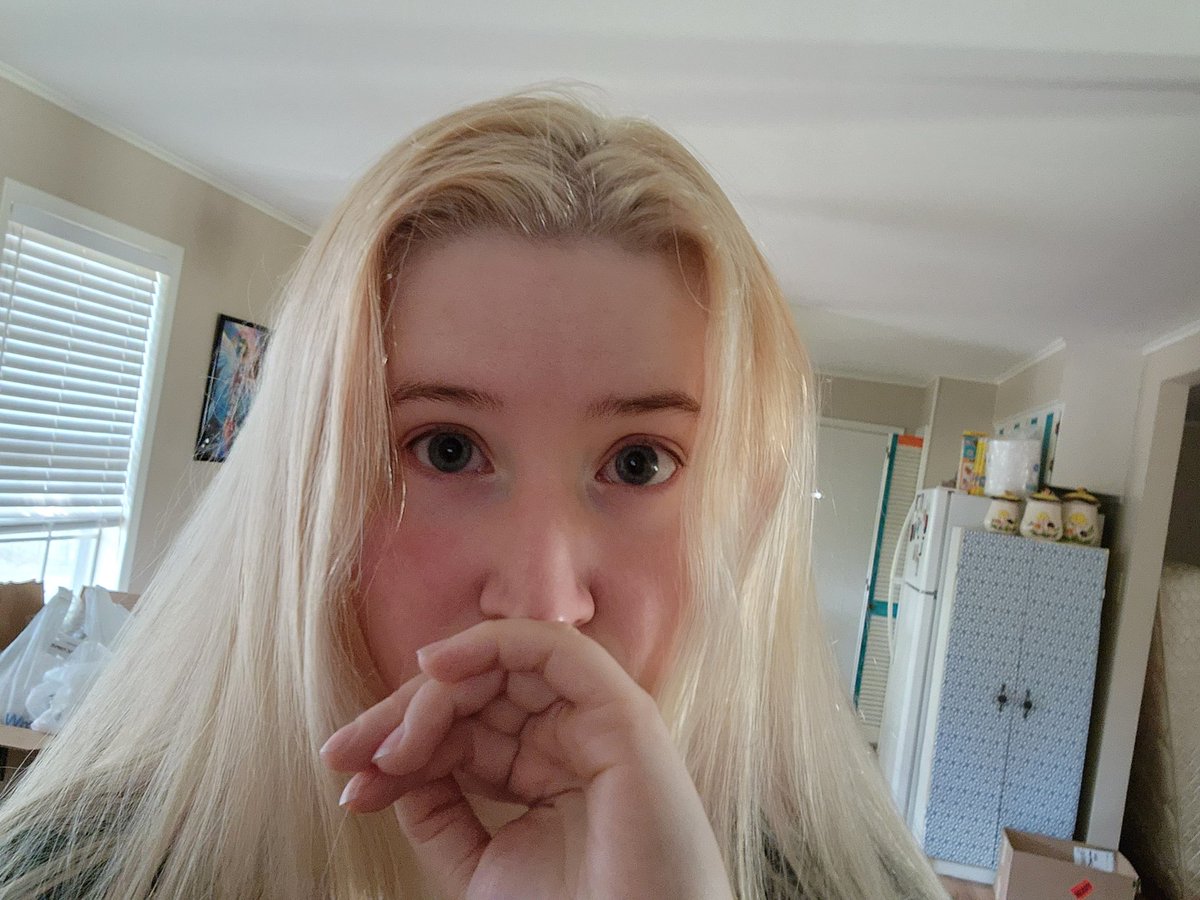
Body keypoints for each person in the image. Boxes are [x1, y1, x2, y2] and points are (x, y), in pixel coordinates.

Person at [0, 92, 948, 898]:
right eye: (447, 450)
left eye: (639, 464)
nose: (541, 605)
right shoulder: (75, 874)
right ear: (310, 487)